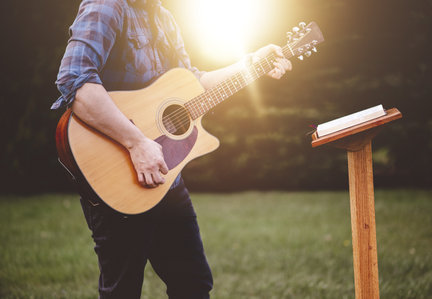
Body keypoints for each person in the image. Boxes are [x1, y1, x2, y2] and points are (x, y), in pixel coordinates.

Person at [52, 0, 292, 298]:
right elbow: (75, 81)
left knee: (193, 285)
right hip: (116, 177)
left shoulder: (164, 17)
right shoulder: (107, 5)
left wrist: (251, 64)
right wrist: (137, 142)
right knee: (122, 292)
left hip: (167, 177)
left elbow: (194, 82)